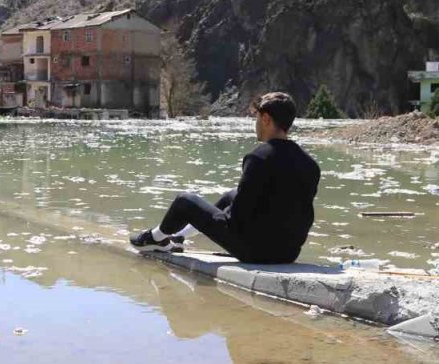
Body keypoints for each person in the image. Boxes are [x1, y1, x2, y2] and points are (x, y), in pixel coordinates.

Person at [131, 91, 320, 264]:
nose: (255, 123)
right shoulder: (311, 164)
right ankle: (179, 237)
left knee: (185, 201)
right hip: (288, 253)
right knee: (233, 194)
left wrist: (220, 216)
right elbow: (300, 214)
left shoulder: (258, 158)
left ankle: (154, 238)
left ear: (265, 119)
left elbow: (240, 216)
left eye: (256, 117)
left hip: (255, 252)